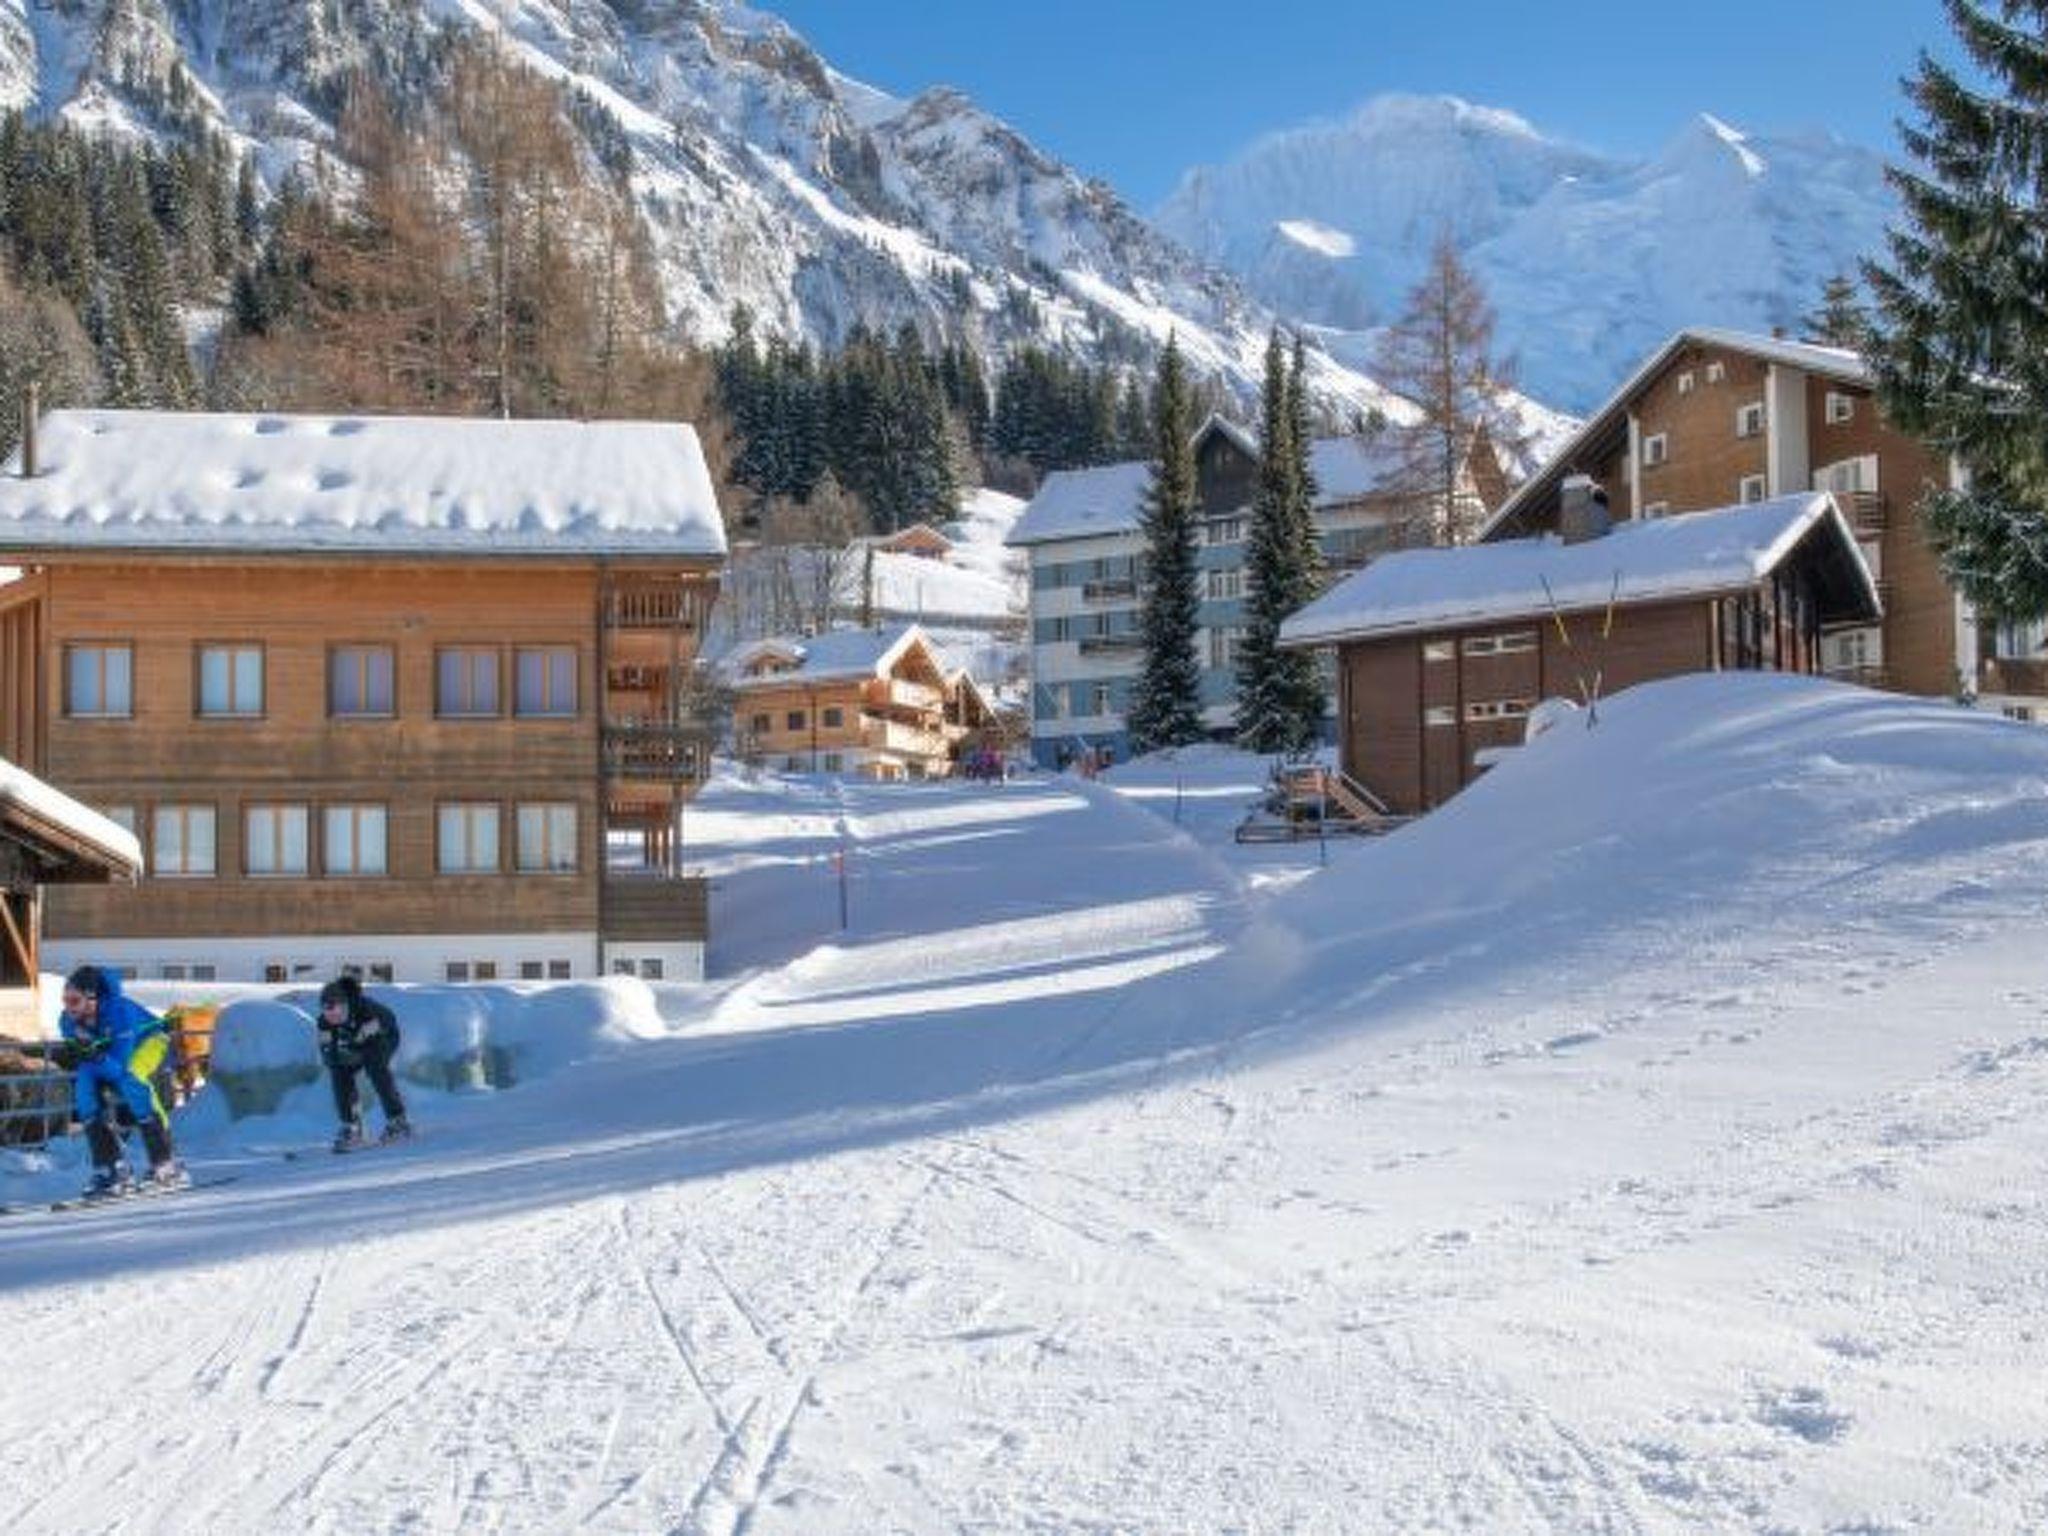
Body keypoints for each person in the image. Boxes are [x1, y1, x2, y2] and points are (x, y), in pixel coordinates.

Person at [58, 964, 183, 1196]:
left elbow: (119, 1068)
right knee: (84, 1090)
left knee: (132, 1079)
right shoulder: (67, 1021)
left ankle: (166, 1162)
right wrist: (88, 1052)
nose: (68, 1007)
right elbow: (86, 1058)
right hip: (107, 1053)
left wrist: (95, 1054)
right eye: (65, 1000)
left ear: (92, 999)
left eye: (74, 1001)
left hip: (151, 1041)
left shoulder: (120, 1012)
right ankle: (111, 1168)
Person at [317, 974, 411, 1152]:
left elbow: (376, 1041)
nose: (333, 1016)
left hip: (385, 1035)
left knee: (376, 1068)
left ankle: (398, 1120)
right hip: (354, 1041)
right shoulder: (324, 1022)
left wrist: (359, 1042)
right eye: (328, 1011)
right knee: (339, 1072)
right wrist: (335, 1060)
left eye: (337, 1011)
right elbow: (327, 1050)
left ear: (345, 1005)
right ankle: (352, 1127)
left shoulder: (367, 1013)